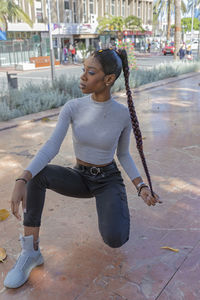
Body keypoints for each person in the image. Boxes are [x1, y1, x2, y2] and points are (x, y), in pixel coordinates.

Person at [4, 48, 161, 289]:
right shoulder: (73, 107)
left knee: (115, 238)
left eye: (90, 72)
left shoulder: (122, 114)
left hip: (107, 178)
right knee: (38, 175)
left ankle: (115, 203)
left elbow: (123, 154)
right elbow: (51, 147)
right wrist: (22, 178)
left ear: (108, 79)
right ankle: (31, 252)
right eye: (83, 71)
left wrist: (140, 186)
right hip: (80, 176)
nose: (83, 77)